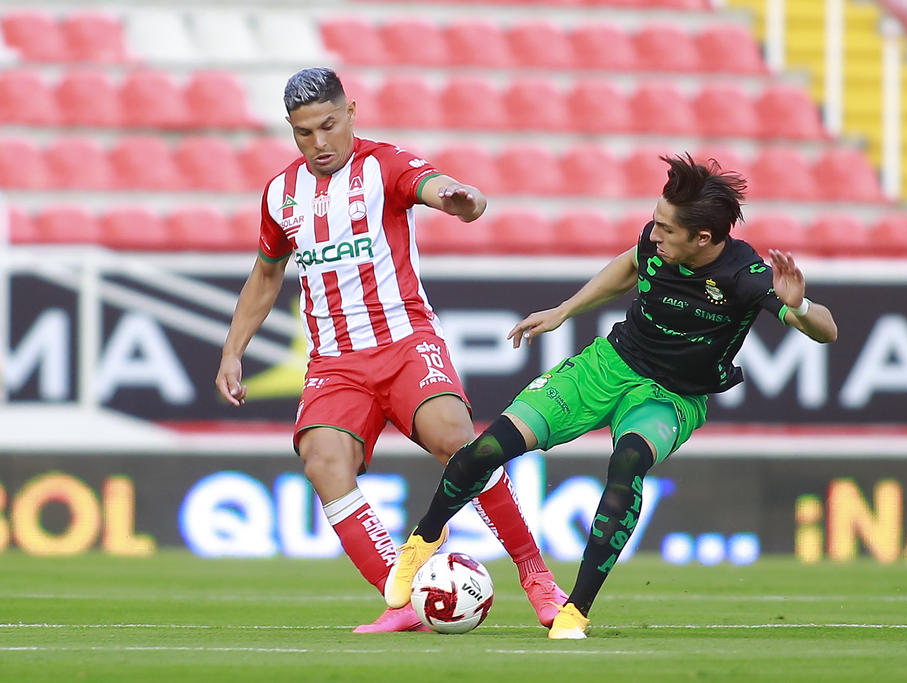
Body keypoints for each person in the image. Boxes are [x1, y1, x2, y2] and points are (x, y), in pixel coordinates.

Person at [384, 154, 839, 639]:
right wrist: (564, 310)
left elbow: (825, 331)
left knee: (627, 466)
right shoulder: (655, 242)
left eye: (665, 229)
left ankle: (574, 611)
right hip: (608, 366)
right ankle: (426, 535)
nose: (653, 233)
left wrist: (801, 306)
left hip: (670, 397)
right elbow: (629, 265)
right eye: (654, 222)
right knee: (489, 447)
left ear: (702, 238)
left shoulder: (745, 276)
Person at [215, 67, 565, 633]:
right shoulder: (281, 193)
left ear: (351, 110)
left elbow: (437, 188)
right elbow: (265, 274)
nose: (319, 142)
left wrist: (461, 200)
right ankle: (404, 602)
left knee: (457, 440)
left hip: (404, 342)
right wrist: (233, 351)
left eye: (328, 125)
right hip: (335, 361)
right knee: (323, 462)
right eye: (303, 133)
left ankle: (537, 579)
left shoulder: (385, 165)